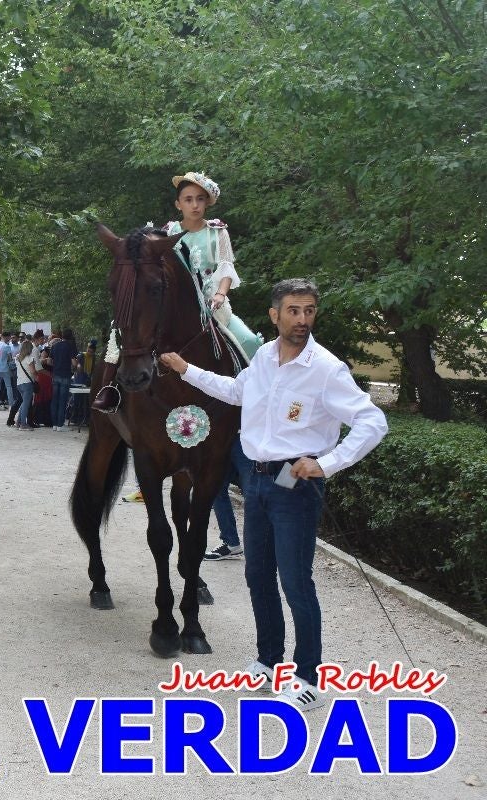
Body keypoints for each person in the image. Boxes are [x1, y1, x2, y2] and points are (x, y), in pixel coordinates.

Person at [159, 278, 388, 711]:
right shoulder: (264, 357)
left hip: (296, 485)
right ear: (275, 315)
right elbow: (234, 391)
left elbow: (373, 421)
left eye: (309, 311)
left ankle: (308, 677)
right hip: (258, 479)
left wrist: (327, 463)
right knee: (258, 575)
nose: (302, 319)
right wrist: (186, 369)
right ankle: (269, 662)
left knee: (296, 582)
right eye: (294, 311)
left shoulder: (326, 369)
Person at [95, 171, 261, 413]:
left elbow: (226, 267)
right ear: (178, 204)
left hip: (211, 304)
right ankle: (110, 390)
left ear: (207, 203)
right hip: (172, 306)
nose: (195, 205)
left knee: (250, 341)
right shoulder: (167, 232)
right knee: (119, 332)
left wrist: (221, 294)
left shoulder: (218, 232)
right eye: (188, 199)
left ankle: (255, 398)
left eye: (200, 199)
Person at [48, 327, 77, 431]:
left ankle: (54, 425)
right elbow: (74, 363)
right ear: (70, 337)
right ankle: (60, 425)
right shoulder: (70, 346)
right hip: (65, 375)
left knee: (54, 400)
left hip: (55, 375)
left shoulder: (55, 345)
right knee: (62, 400)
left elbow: (49, 361)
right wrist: (76, 365)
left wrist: (56, 365)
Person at [14, 340, 39, 431]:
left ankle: (18, 422)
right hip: (28, 383)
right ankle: (23, 424)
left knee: (24, 403)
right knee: (26, 404)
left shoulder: (17, 357)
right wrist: (37, 376)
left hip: (19, 383)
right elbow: (33, 371)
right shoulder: (30, 358)